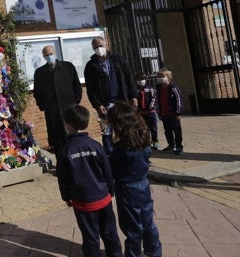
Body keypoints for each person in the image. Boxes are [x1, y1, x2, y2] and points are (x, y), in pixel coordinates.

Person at [56, 104, 123, 257]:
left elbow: (62, 177)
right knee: (110, 232)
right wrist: (110, 191)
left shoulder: (65, 150)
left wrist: (66, 196)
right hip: (103, 198)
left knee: (90, 236)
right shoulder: (96, 146)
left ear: (67, 125)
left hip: (82, 202)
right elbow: (107, 172)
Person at [107, 102, 162, 257]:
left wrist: (107, 138)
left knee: (132, 229)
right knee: (148, 223)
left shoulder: (120, 149)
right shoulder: (144, 142)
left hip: (126, 190)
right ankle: (154, 252)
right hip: (143, 186)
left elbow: (111, 167)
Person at [33, 45, 82, 153]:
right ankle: (61, 163)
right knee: (56, 139)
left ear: (55, 53)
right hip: (52, 111)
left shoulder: (68, 67)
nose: (49, 56)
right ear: (43, 56)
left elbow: (76, 85)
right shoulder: (40, 73)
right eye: (46, 55)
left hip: (69, 108)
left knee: (72, 135)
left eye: (50, 54)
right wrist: (43, 105)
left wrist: (76, 101)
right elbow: (37, 92)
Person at [84, 37, 138, 119]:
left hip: (123, 100)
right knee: (109, 129)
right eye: (96, 47)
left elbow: (129, 77)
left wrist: (133, 95)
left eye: (101, 46)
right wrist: (97, 104)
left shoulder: (118, 59)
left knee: (126, 126)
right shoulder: (90, 66)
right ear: (93, 48)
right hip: (106, 104)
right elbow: (90, 89)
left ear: (107, 45)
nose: (99, 49)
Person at [156, 68, 184, 155]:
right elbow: (158, 101)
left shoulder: (173, 88)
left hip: (173, 114)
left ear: (169, 77)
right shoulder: (159, 88)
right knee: (167, 131)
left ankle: (179, 147)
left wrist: (178, 112)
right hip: (164, 114)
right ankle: (171, 145)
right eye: (160, 77)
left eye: (163, 76)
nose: (161, 78)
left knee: (177, 131)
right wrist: (159, 113)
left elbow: (179, 100)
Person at [135, 72, 160, 150]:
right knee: (144, 128)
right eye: (139, 79)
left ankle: (155, 142)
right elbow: (135, 101)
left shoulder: (150, 89)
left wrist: (149, 109)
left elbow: (153, 99)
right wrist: (139, 110)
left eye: (143, 79)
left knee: (153, 128)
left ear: (145, 79)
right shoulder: (136, 90)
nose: (141, 81)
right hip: (141, 112)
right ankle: (147, 142)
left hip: (151, 112)